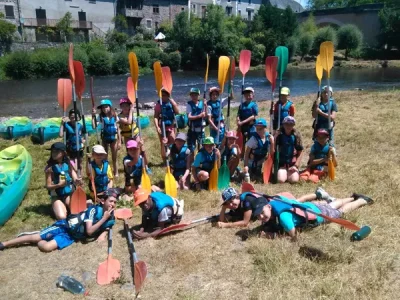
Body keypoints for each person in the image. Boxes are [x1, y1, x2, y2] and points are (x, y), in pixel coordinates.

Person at [0, 189, 117, 252]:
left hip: (72, 236)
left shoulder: (111, 218)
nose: (113, 204)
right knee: (37, 237)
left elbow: (108, 226)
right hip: (65, 226)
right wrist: (103, 219)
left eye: (115, 202)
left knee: (46, 248)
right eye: (110, 201)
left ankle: (38, 237)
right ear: (103, 201)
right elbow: (90, 231)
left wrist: (103, 234)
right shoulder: (94, 210)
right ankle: (5, 244)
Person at [253, 191, 374, 241]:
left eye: (262, 213)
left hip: (318, 215)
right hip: (308, 206)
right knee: (331, 205)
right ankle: (353, 197)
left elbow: (294, 237)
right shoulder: (275, 199)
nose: (261, 218)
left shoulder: (284, 217)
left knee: (339, 212)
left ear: (268, 207)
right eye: (258, 216)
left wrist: (273, 236)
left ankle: (362, 201)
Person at [45, 142, 81, 220]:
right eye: (53, 151)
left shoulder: (68, 164)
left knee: (76, 211)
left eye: (56, 151)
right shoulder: (49, 168)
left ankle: (66, 206)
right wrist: (58, 185)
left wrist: (77, 180)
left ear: (63, 153)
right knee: (62, 217)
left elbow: (74, 177)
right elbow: (48, 186)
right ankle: (55, 206)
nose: (53, 153)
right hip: (56, 196)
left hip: (68, 194)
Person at [93, 99, 121, 177]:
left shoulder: (115, 116)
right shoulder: (101, 117)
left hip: (114, 139)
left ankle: (116, 172)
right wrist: (93, 116)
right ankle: (106, 171)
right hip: (105, 139)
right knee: (104, 157)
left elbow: (118, 129)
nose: (105, 109)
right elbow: (94, 126)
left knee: (114, 157)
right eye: (103, 107)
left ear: (110, 107)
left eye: (106, 107)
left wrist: (120, 141)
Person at [275, 116, 303, 183]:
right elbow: (273, 150)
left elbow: (300, 152)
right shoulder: (279, 136)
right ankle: (284, 173)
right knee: (281, 180)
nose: (288, 126)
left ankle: (290, 173)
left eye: (291, 124)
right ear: (283, 124)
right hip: (282, 164)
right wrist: (275, 137)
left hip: (292, 164)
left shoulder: (296, 136)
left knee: (294, 180)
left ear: (293, 125)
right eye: (286, 124)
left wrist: (296, 165)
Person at [154, 88, 179, 160]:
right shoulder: (158, 105)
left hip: (170, 125)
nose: (163, 97)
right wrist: (157, 127)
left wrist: (174, 104)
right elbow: (155, 117)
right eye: (161, 95)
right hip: (162, 126)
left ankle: (172, 155)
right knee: (163, 142)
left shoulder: (171, 103)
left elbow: (177, 112)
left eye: (165, 95)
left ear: (168, 96)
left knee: (173, 140)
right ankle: (164, 160)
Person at [186, 87, 207, 154]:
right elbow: (189, 117)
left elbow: (205, 115)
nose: (194, 96)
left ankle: (201, 159)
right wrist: (199, 116)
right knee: (191, 147)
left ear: (198, 95)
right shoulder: (189, 104)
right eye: (192, 95)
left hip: (201, 129)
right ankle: (191, 159)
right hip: (192, 129)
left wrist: (206, 106)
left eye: (195, 95)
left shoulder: (202, 103)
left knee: (203, 145)